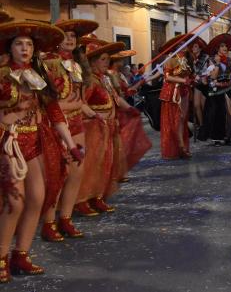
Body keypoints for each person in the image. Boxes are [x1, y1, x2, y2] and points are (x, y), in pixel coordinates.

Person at [0, 21, 83, 282]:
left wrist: (70, 144)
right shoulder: (2, 74)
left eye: (28, 45)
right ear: (10, 48)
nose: (24, 48)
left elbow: (54, 111)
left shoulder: (39, 76)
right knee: (15, 202)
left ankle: (21, 255)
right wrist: (8, 119)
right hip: (7, 143)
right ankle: (1, 257)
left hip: (34, 142)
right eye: (18, 44)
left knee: (38, 197)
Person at [40, 19, 98, 242]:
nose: (70, 39)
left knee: (76, 173)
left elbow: (78, 99)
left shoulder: (75, 64)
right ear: (56, 39)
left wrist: (87, 110)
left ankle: (66, 218)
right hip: (55, 125)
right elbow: (47, 103)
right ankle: (48, 223)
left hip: (76, 123)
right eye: (65, 35)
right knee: (56, 176)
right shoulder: (49, 64)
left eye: (73, 36)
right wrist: (75, 106)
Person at [74, 37, 127, 216]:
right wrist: (94, 115)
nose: (107, 63)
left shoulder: (104, 79)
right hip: (93, 128)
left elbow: (114, 100)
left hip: (108, 127)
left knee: (105, 162)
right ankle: (82, 200)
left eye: (107, 59)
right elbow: (81, 103)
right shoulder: (89, 81)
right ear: (93, 62)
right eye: (103, 60)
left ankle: (97, 196)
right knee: (91, 164)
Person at [108, 50, 152, 182]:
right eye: (121, 59)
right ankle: (116, 172)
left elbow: (128, 91)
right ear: (115, 62)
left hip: (123, 108)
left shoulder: (119, 75)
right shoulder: (111, 75)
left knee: (120, 141)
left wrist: (141, 82)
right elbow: (122, 94)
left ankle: (119, 171)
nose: (123, 61)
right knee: (117, 142)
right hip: (117, 111)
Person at [158, 34, 194, 159]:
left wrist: (191, 79)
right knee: (177, 119)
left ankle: (181, 145)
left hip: (184, 91)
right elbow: (167, 77)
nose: (183, 47)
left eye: (185, 44)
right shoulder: (171, 58)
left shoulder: (186, 59)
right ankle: (180, 146)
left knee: (183, 118)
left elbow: (187, 75)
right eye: (180, 44)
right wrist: (183, 81)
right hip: (173, 92)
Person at [203, 34, 231, 146]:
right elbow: (212, 76)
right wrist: (217, 63)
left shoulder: (230, 60)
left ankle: (228, 136)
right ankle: (217, 137)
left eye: (226, 46)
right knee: (218, 114)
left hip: (228, 88)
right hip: (216, 90)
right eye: (222, 46)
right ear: (217, 48)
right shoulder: (211, 60)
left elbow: (230, 75)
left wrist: (230, 81)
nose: (225, 48)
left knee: (230, 113)